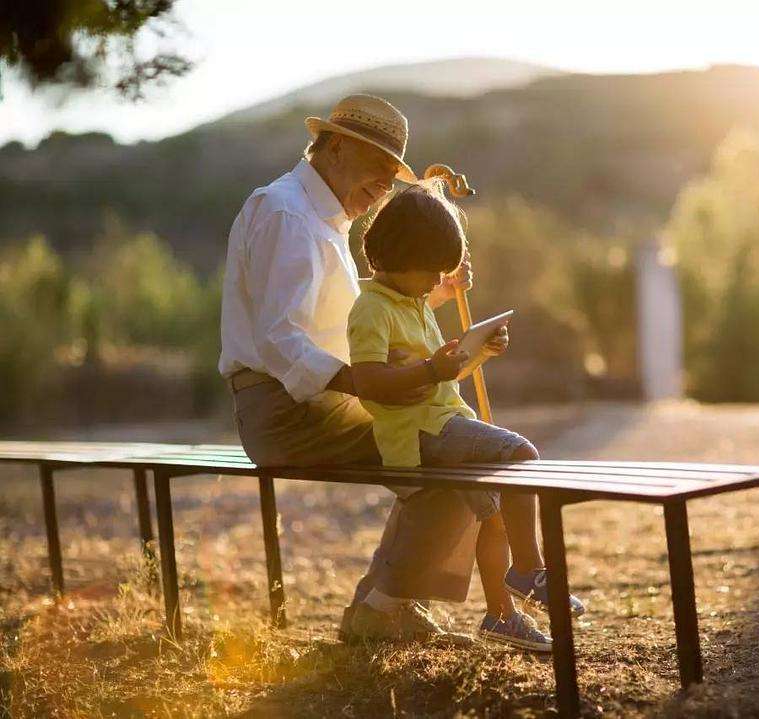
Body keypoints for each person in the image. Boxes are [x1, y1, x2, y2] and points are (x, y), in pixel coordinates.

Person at [218, 94, 487, 641]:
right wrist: (366, 384)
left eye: (393, 178)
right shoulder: (287, 213)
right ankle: (381, 610)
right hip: (287, 413)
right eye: (381, 172)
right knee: (453, 450)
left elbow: (348, 324)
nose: (385, 190)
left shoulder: (321, 216)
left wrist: (425, 291)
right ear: (336, 147)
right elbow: (281, 339)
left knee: (449, 445)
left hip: (311, 403)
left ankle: (385, 604)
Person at [341, 182, 586, 651]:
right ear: (397, 259)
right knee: (518, 452)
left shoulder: (411, 303)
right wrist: (434, 367)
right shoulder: (370, 310)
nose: (438, 281)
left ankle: (500, 615)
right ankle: (530, 570)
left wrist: (479, 354)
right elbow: (368, 383)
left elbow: (438, 378)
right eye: (431, 271)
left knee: (491, 515)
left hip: (441, 420)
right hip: (416, 433)